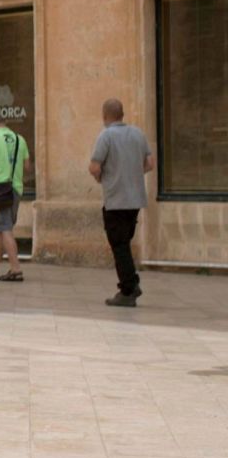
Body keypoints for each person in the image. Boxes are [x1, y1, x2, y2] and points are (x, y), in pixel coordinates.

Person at [88, 98, 154, 307]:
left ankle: (129, 288)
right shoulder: (138, 133)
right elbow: (150, 163)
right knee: (124, 242)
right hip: (135, 199)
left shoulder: (106, 135)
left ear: (105, 115)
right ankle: (130, 283)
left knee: (119, 245)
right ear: (122, 114)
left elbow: (94, 166)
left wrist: (103, 177)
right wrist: (132, 173)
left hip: (115, 199)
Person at [0, 115, 32, 282]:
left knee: (5, 229)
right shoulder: (19, 139)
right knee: (3, 229)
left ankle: (16, 269)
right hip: (16, 188)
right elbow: (27, 166)